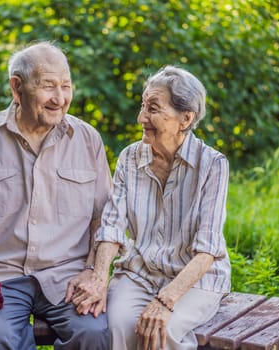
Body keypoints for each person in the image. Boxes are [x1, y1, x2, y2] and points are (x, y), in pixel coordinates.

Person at [0, 41, 112, 350]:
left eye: (66, 86)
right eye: (48, 87)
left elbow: (103, 219)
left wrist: (93, 272)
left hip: (67, 277)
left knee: (94, 334)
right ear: (17, 88)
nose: (60, 98)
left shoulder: (87, 139)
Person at [70, 65, 231, 350]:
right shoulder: (130, 157)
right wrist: (99, 279)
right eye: (143, 106)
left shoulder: (212, 165)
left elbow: (207, 250)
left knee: (159, 332)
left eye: (153, 109)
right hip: (140, 273)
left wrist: (166, 300)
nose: (141, 117)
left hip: (195, 280)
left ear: (185, 118)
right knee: (114, 327)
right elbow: (111, 227)